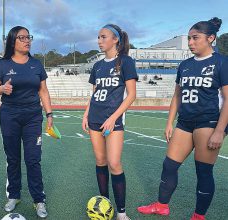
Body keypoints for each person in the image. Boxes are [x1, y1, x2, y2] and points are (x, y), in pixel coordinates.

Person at [137, 17, 228, 220]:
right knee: (169, 165)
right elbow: (177, 96)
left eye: (195, 38)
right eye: (188, 38)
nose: (190, 42)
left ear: (211, 38)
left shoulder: (222, 63)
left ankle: (198, 216)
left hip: (209, 123)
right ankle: (161, 206)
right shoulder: (185, 64)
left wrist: (220, 131)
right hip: (185, 122)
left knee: (203, 172)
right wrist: (169, 122)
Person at [0, 26, 53, 218]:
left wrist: (49, 114)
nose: (27, 40)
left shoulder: (36, 64)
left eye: (28, 37)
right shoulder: (3, 64)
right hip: (10, 116)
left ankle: (38, 199)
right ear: (13, 41)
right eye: (22, 37)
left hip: (33, 116)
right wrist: (2, 89)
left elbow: (43, 90)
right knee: (13, 159)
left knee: (33, 159)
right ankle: (14, 195)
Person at [82, 24, 137, 220]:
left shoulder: (126, 62)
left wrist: (113, 118)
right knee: (100, 161)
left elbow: (131, 95)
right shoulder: (97, 65)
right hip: (95, 119)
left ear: (116, 40)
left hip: (113, 121)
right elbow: (95, 93)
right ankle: (104, 204)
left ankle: (121, 212)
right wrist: (86, 114)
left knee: (114, 163)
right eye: (98, 37)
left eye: (103, 37)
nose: (99, 40)